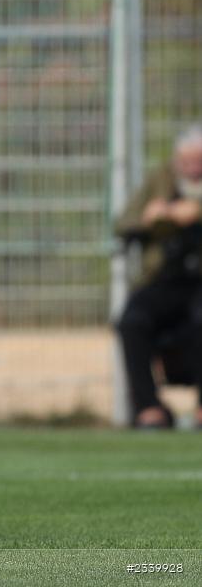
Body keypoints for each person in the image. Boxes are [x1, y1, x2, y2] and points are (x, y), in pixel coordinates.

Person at [115, 123, 202, 429]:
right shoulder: (160, 180)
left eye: (199, 163)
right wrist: (149, 218)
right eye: (187, 162)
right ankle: (149, 408)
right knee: (132, 320)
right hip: (165, 279)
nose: (192, 169)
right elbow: (123, 223)